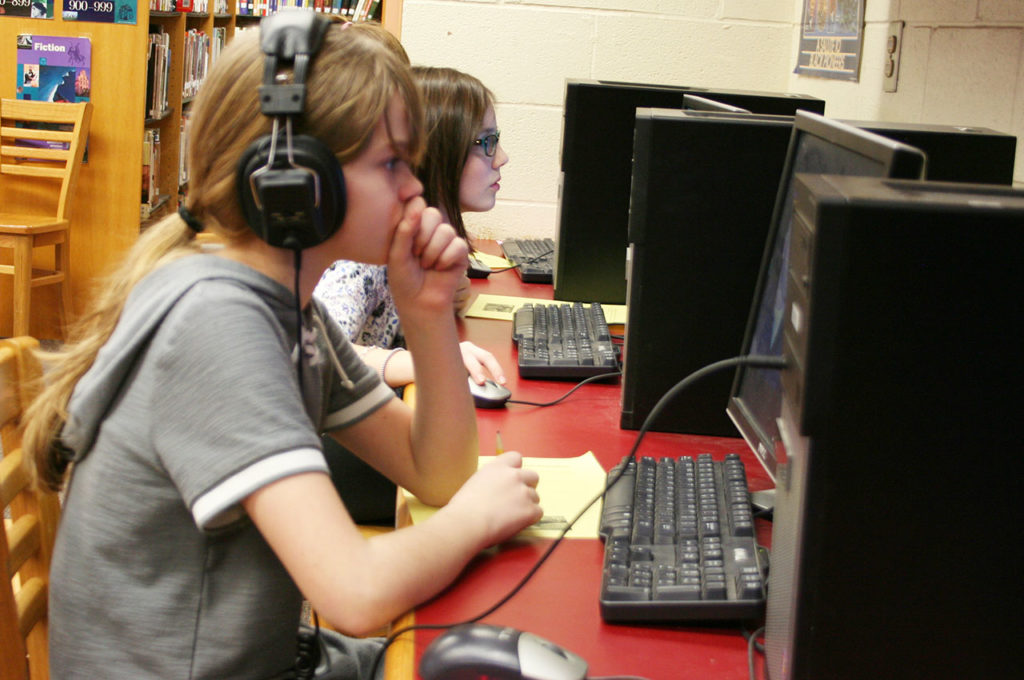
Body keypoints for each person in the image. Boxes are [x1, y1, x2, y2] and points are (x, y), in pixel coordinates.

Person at [21, 13, 542, 680]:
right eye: (392, 164)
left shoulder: (290, 312)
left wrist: (429, 314)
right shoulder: (216, 322)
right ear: (295, 181)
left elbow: (439, 471)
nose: (415, 188)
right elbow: (353, 592)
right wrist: (472, 522)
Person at [314, 66, 510, 389]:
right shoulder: (367, 256)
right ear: (438, 150)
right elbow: (319, 354)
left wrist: (448, 293)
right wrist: (432, 361)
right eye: (486, 141)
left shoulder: (420, 239)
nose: (501, 158)